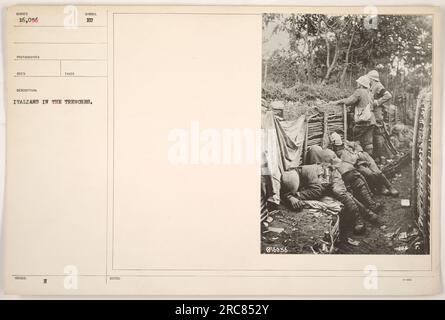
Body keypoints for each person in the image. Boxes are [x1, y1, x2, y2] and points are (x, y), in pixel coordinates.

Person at [281, 163, 367, 235]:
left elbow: (316, 191)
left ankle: (358, 220)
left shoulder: (308, 172)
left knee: (338, 192)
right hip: (321, 184)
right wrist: (290, 197)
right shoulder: (291, 174)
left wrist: (296, 196)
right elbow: (286, 191)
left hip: (332, 176)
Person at [329, 76, 375, 156]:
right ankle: (369, 159)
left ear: (361, 84)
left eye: (358, 82)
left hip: (362, 120)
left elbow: (349, 101)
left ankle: (356, 158)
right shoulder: (370, 93)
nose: (357, 84)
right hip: (371, 120)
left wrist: (335, 102)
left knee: (354, 139)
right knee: (368, 141)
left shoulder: (359, 91)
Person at [367, 70, 393, 159]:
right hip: (373, 112)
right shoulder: (372, 85)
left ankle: (380, 156)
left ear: (372, 79)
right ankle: (377, 156)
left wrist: (377, 102)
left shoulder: (378, 86)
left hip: (377, 113)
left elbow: (388, 95)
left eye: (369, 79)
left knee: (378, 133)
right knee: (374, 133)